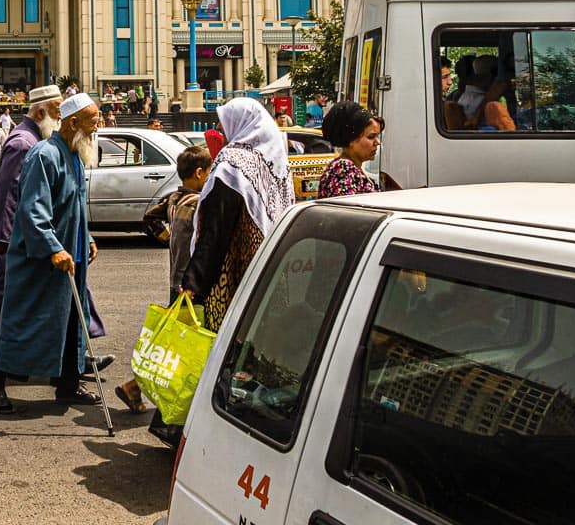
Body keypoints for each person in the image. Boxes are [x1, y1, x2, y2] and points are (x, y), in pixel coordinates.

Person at [0, 92, 102, 414]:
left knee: (71, 322)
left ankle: (68, 384)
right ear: (73, 123)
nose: (98, 126)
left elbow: (74, 204)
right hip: (42, 257)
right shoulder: (44, 154)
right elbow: (32, 209)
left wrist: (87, 237)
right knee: (27, 322)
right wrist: (54, 248)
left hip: (71, 253)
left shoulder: (75, 153)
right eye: (93, 121)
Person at [0, 84, 63, 369]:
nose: (61, 118)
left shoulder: (35, 139)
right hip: (19, 236)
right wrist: (4, 237)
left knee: (15, 291)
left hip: (27, 233)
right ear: (41, 112)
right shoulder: (24, 143)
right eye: (57, 111)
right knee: (7, 290)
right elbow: (8, 193)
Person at [181, 98, 292, 333]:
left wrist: (194, 281)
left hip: (232, 276)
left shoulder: (232, 165)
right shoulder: (275, 164)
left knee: (227, 339)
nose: (221, 134)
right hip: (268, 270)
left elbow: (215, 228)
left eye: (224, 127)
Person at [117, 144, 212, 415]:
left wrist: (168, 240)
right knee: (178, 344)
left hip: (177, 279)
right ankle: (135, 386)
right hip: (190, 284)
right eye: (209, 172)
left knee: (173, 340)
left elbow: (150, 219)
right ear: (199, 173)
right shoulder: (197, 204)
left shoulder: (173, 198)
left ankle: (135, 386)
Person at [316, 100, 383, 198]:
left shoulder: (353, 168)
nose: (377, 142)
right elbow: (346, 206)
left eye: (377, 136)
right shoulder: (343, 168)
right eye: (371, 137)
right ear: (351, 139)